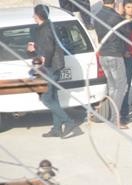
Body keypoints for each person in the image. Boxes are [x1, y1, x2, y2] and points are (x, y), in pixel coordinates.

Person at [27, 6, 76, 138]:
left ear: (38, 15)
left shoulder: (47, 29)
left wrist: (44, 59)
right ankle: (57, 129)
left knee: (46, 98)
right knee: (53, 97)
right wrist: (33, 49)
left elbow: (48, 48)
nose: (33, 17)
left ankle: (69, 122)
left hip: (50, 68)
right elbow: (44, 46)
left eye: (34, 14)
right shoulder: (44, 27)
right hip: (51, 67)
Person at [93, 0, 126, 125]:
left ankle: (113, 116)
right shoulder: (116, 16)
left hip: (103, 55)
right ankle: (115, 118)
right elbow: (126, 33)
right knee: (121, 87)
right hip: (115, 54)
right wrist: (121, 14)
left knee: (112, 87)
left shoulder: (97, 15)